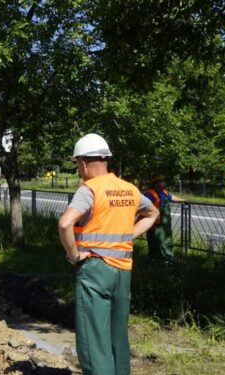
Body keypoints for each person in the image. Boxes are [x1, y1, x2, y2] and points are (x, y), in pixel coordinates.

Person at [58, 133, 159, 374]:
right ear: (105, 159)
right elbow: (153, 213)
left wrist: (73, 256)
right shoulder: (128, 189)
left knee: (94, 340)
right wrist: (127, 236)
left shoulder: (90, 190)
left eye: (77, 164)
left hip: (95, 269)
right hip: (123, 271)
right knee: (117, 337)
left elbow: (65, 224)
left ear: (83, 163)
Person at [143, 175, 184, 263]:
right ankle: (154, 261)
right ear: (156, 184)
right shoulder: (150, 194)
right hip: (155, 225)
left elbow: (172, 197)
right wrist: (151, 225)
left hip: (165, 224)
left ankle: (167, 260)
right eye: (162, 181)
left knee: (167, 241)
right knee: (155, 244)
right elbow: (146, 210)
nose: (164, 183)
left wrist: (183, 200)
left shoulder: (164, 192)